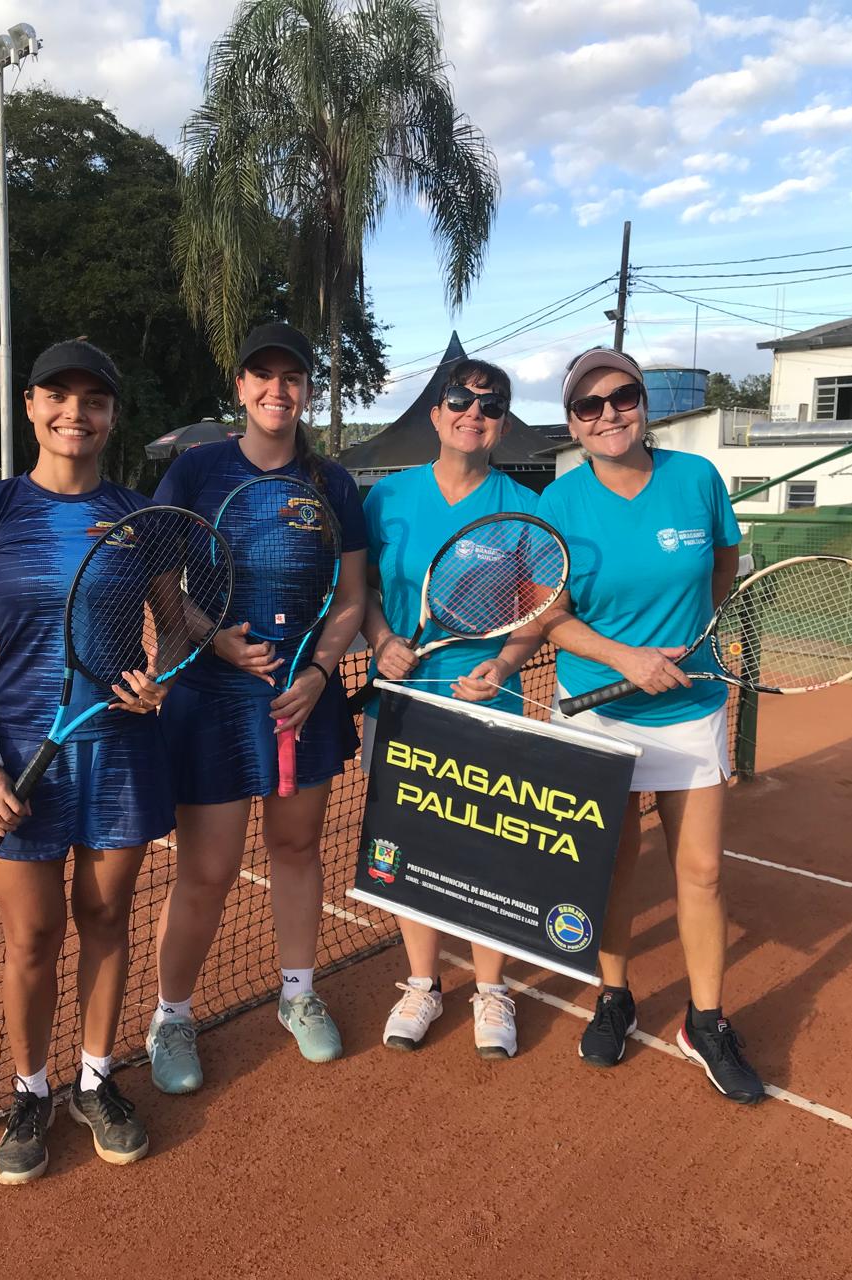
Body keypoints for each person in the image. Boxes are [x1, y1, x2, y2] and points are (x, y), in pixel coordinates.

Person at [0, 340, 175, 1185]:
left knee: (106, 922)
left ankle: (96, 1080)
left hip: (121, 754)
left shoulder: (139, 516)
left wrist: (162, 680)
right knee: (33, 936)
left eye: (94, 400)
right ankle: (30, 1091)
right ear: (32, 406)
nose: (76, 412)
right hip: (14, 758)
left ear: (112, 415)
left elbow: (177, 627)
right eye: (59, 396)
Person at [535, 346, 764, 1104]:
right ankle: (615, 997)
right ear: (573, 422)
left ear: (644, 403)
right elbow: (551, 616)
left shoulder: (696, 479)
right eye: (588, 405)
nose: (608, 415)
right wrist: (625, 658)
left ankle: (706, 1020)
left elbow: (722, 566)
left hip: (691, 708)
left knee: (701, 871)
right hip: (599, 714)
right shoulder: (559, 503)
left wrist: (690, 640)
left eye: (622, 397)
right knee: (612, 865)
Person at [145, 322, 366, 1089]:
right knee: (207, 870)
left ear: (307, 389)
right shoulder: (196, 470)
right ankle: (172, 1016)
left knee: (297, 849)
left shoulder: (333, 483)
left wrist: (321, 673)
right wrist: (215, 641)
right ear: (240, 387)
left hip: (304, 698)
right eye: (262, 376)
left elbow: (351, 594)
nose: (278, 389)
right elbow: (160, 577)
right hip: (210, 698)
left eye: (292, 377)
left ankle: (298, 995)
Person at [360, 359, 549, 1059]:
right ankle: (423, 983)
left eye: (491, 406)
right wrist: (382, 640)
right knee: (406, 841)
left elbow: (539, 612)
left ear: (502, 423)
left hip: (486, 704)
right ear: (437, 415)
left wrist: (502, 665)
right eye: (460, 400)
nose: (474, 413)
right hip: (401, 703)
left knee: (487, 848)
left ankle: (492, 990)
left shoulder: (523, 507)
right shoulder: (388, 497)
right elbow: (362, 592)